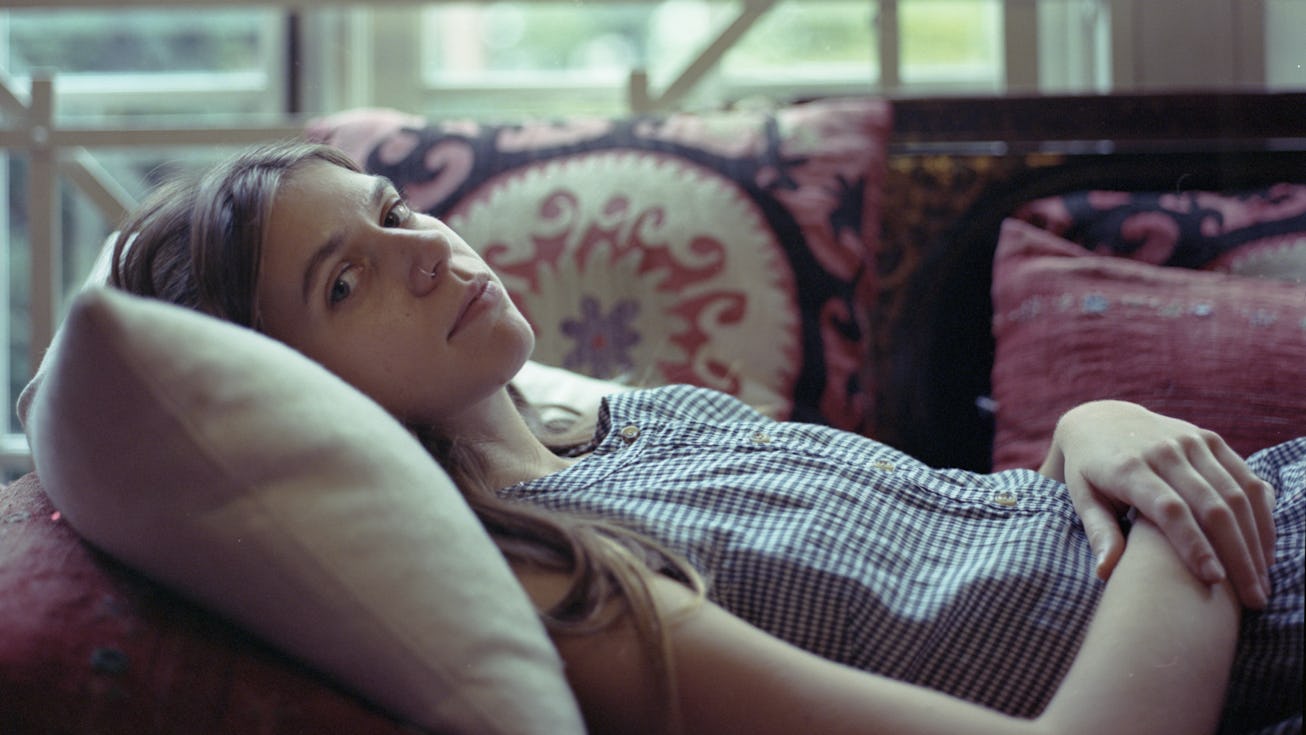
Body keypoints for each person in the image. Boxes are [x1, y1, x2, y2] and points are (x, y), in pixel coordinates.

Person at [111, 141, 1302, 735]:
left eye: (394, 209)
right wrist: (1178, 521)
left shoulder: (610, 420)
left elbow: (972, 549)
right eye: (345, 284)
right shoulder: (558, 582)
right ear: (285, 387)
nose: (427, 250)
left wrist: (1104, 426)